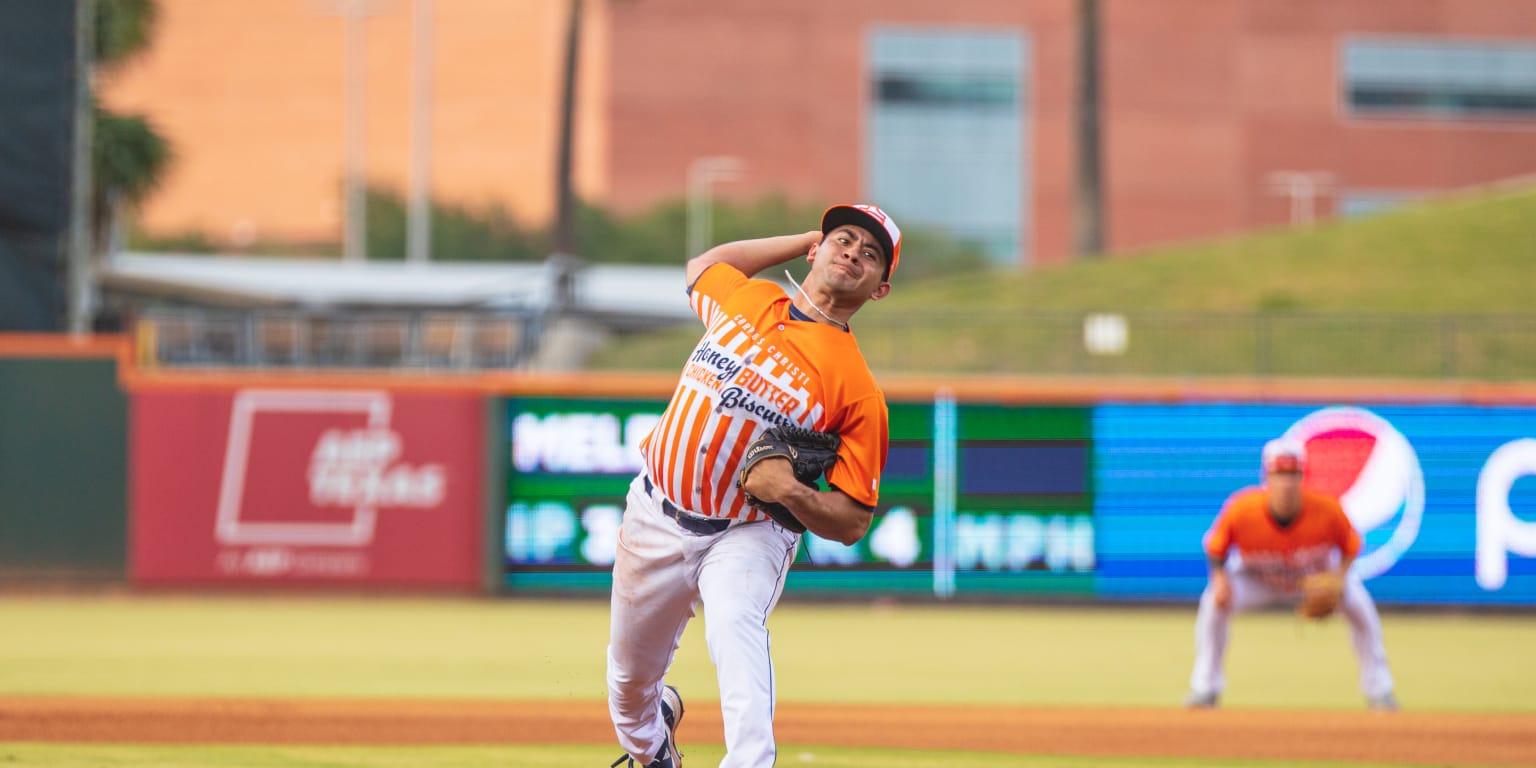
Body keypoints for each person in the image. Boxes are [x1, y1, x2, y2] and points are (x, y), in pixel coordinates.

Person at [606, 204, 901, 767]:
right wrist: (805, 237)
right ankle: (653, 746)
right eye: (843, 240)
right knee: (627, 691)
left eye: (870, 255)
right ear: (816, 249)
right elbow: (703, 264)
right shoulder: (751, 298)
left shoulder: (857, 389)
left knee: (735, 626)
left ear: (879, 289)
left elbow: (855, 518)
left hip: (748, 531)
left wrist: (790, 492)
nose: (853, 254)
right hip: (655, 513)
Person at [1184, 436, 1399, 711]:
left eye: (1292, 474)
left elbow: (1351, 546)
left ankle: (1380, 692)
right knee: (1213, 603)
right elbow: (1216, 548)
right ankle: (1205, 689)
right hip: (1258, 581)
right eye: (1279, 474)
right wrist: (1220, 580)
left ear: (1302, 476)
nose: (1286, 482)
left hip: (1312, 581)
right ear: (1266, 477)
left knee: (1360, 607)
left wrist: (1339, 577)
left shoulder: (1326, 509)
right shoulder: (1242, 509)